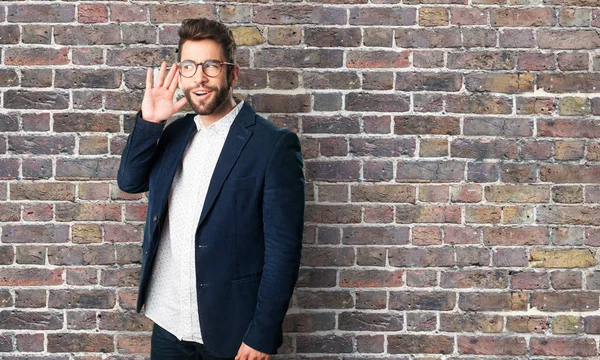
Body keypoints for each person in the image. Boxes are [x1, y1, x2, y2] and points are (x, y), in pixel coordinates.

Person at [117, 18, 305, 360]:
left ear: (232, 74)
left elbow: (283, 253)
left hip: (231, 332)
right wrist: (150, 122)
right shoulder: (173, 134)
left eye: (210, 66)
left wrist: (263, 333)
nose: (199, 77)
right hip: (168, 324)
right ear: (180, 73)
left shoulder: (273, 146)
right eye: (189, 66)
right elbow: (130, 181)